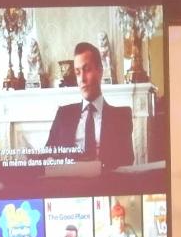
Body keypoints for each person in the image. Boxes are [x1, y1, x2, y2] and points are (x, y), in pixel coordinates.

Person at [46, 41, 134, 170]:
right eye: (77, 72)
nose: (82, 79)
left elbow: (126, 160)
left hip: (105, 186)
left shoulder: (121, 117)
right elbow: (47, 154)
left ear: (100, 71)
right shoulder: (63, 114)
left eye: (86, 70)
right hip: (69, 186)